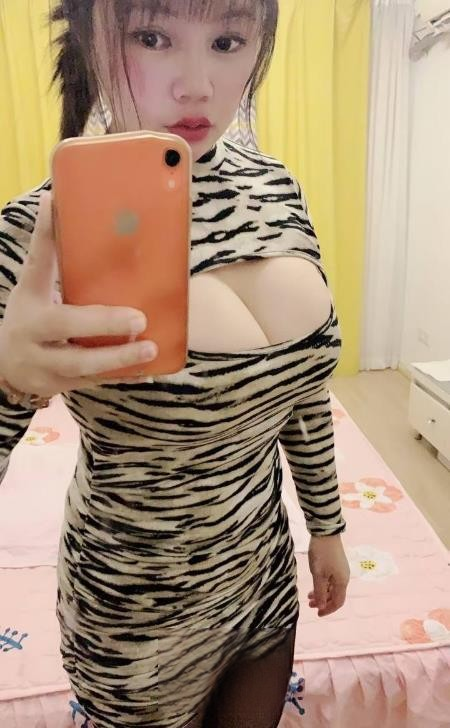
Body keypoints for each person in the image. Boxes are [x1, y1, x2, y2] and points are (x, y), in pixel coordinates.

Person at [0, 1, 350, 726]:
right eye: (153, 36)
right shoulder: (39, 232)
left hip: (262, 576)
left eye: (227, 40)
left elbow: (302, 392)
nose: (197, 85)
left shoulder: (278, 189)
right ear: (95, 42)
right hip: (136, 613)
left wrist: (327, 528)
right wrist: (7, 384)